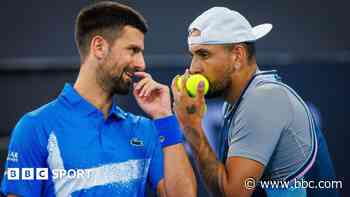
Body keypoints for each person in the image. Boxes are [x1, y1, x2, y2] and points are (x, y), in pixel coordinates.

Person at [0, 1, 196, 196]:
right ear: (99, 47)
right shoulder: (34, 127)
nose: (141, 64)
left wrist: (164, 116)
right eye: (133, 50)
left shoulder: (145, 130)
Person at [171, 7, 338, 197]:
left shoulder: (263, 100)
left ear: (237, 56)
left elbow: (232, 194)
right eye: (193, 55)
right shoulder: (238, 102)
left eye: (204, 54)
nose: (193, 68)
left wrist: (191, 125)